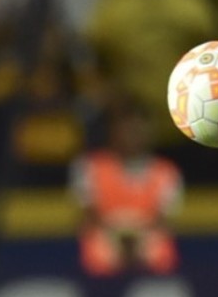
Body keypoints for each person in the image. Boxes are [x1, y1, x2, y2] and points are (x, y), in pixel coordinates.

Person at [69, 100, 183, 277]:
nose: (133, 135)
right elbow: (87, 216)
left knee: (158, 245)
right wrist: (118, 236)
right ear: (114, 131)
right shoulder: (89, 167)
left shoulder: (166, 172)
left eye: (139, 129)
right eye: (127, 129)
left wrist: (136, 239)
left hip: (149, 253)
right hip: (103, 253)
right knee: (97, 244)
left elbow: (165, 221)